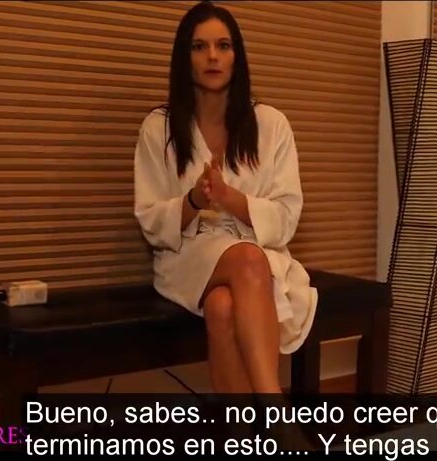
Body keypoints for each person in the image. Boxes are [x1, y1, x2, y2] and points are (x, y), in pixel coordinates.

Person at [133, 1, 317, 395]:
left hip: (258, 255)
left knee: (222, 307)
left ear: (237, 56)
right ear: (184, 58)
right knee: (248, 260)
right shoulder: (158, 128)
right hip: (186, 258)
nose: (213, 56)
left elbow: (287, 216)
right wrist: (195, 200)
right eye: (199, 47)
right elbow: (151, 220)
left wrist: (230, 198)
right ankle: (276, 412)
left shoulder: (271, 124)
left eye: (223, 45)